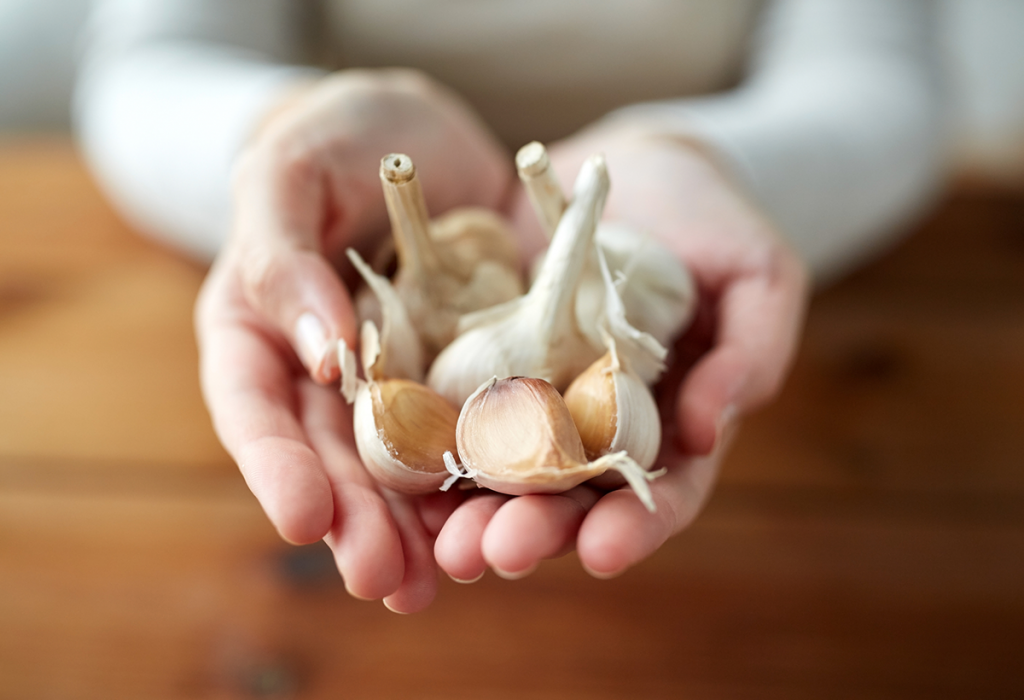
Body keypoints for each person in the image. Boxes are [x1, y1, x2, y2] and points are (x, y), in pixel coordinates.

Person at [74, 0, 944, 612]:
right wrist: (283, 144)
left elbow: (879, 81)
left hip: (788, 451)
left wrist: (714, 161)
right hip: (366, 237)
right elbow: (146, 70)